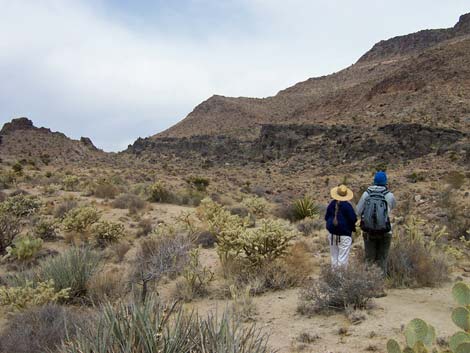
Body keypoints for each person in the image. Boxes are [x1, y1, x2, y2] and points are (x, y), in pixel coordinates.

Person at [356, 171, 396, 276]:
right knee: (382, 259)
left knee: (369, 259)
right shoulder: (390, 195)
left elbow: (358, 211)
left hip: (369, 231)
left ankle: (369, 285)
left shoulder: (366, 194)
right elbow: (393, 207)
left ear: (374, 181)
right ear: (385, 182)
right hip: (386, 231)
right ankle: (381, 286)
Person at [324, 184, 357, 267]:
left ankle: (333, 277)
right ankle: (340, 279)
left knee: (334, 258)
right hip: (344, 235)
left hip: (332, 234)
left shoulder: (332, 204)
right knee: (342, 259)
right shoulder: (347, 206)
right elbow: (353, 219)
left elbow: (326, 217)